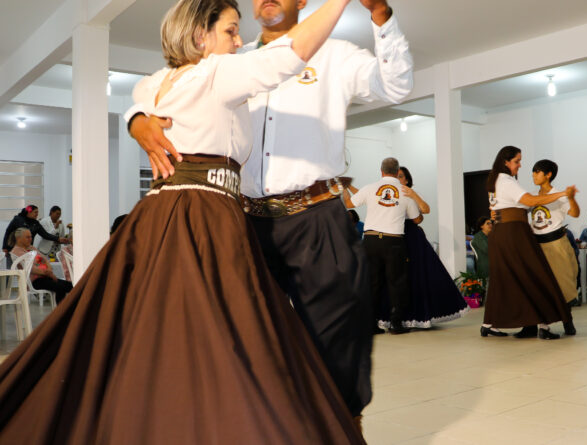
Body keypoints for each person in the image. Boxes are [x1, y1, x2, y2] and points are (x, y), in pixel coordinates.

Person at [0, 1, 365, 444]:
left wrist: (136, 120)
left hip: (157, 214)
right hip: (205, 215)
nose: (238, 42)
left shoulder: (158, 81)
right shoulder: (216, 72)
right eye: (231, 31)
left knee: (155, 326)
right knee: (226, 328)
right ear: (200, 37)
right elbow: (292, 53)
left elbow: (134, 105)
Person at [128, 0, 412, 421]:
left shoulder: (335, 54)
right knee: (243, 334)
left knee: (337, 335)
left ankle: (345, 426)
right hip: (242, 221)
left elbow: (395, 86)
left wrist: (381, 16)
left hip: (315, 216)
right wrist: (137, 118)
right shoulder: (230, 61)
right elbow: (160, 90)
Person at [482, 146, 577, 340]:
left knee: (508, 279)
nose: (520, 165)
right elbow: (531, 202)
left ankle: (491, 323)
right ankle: (544, 325)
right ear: (505, 162)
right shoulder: (506, 180)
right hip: (514, 233)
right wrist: (563, 194)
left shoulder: (495, 180)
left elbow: (508, 205)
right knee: (534, 276)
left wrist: (497, 214)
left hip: (507, 233)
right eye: (517, 161)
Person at [373, 166, 469, 329]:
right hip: (393, 236)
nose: (398, 179)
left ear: (407, 180)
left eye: (401, 176)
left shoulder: (410, 194)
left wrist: (413, 194)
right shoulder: (387, 193)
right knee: (394, 277)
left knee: (418, 274)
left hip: (412, 237)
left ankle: (419, 315)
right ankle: (394, 317)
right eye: (396, 176)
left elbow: (425, 210)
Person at [343, 158, 421, 335]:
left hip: (370, 240)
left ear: (381, 171)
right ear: (396, 171)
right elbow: (416, 219)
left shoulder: (370, 188)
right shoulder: (404, 192)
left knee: (372, 283)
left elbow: (348, 204)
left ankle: (370, 324)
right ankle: (396, 323)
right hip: (393, 241)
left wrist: (344, 189)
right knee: (396, 283)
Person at [530, 160, 580, 317]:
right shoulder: (532, 198)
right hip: (537, 244)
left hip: (556, 243)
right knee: (540, 285)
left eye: (537, 172)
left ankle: (567, 320)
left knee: (563, 282)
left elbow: (574, 213)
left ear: (548, 174)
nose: (534, 175)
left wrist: (571, 198)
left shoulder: (559, 195)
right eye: (533, 172)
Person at [10, 228, 73, 304]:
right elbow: (31, 269)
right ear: (18, 239)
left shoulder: (31, 248)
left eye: (31, 236)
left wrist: (49, 270)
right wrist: (48, 273)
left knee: (72, 285)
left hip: (46, 277)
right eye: (28, 237)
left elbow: (45, 259)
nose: (30, 239)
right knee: (60, 288)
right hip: (34, 281)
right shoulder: (16, 251)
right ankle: (61, 311)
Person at [2, 205, 68, 253]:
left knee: (26, 270)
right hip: (13, 249)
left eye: (37, 212)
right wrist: (4, 246)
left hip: (27, 250)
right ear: (29, 212)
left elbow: (45, 235)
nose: (37, 214)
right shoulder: (17, 219)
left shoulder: (36, 223)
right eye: (35, 212)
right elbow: (8, 232)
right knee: (13, 270)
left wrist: (58, 239)